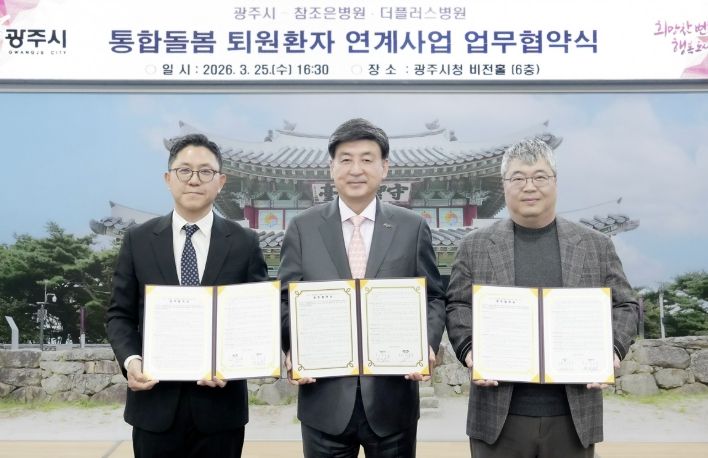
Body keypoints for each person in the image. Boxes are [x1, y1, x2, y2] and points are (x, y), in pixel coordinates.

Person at [445, 138, 639, 458]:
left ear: (555, 182)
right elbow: (458, 305)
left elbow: (625, 304)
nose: (529, 186)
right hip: (497, 416)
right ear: (504, 185)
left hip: (572, 415)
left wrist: (613, 349)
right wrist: (469, 349)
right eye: (518, 177)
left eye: (540, 176)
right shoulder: (474, 246)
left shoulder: (595, 245)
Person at [279, 118, 446, 457]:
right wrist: (293, 346)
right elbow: (284, 299)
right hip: (324, 400)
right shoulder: (302, 228)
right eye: (346, 159)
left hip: (392, 400)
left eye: (367, 159)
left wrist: (426, 344)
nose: (356, 169)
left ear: (385, 167)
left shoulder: (412, 228)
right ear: (331, 167)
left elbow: (433, 296)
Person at [106, 133, 269, 458]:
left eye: (205, 171)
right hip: (154, 407)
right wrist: (131, 360)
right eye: (184, 170)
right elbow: (119, 314)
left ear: (221, 181)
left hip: (220, 410)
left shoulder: (244, 243)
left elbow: (258, 317)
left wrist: (230, 364)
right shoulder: (138, 240)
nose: (194, 180)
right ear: (168, 179)